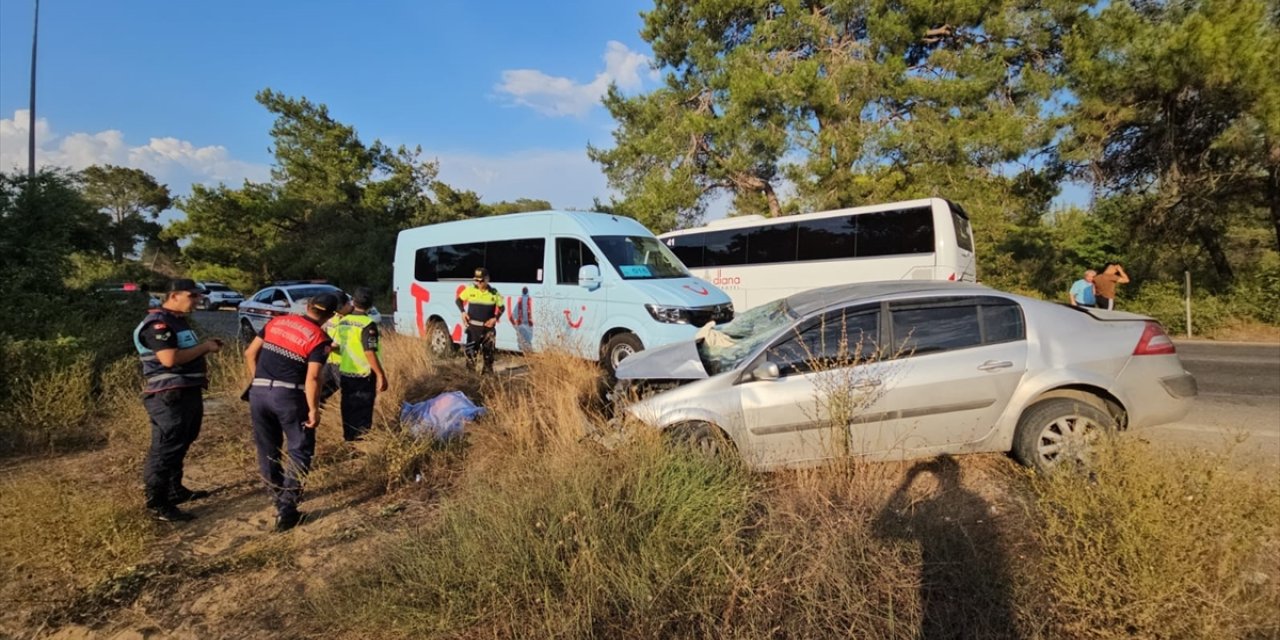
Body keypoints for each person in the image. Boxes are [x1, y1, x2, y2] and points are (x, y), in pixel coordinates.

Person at [243, 292, 338, 532]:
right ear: (330, 315)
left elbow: (249, 353)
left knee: (267, 449)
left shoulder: (277, 321)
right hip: (289, 397)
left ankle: (277, 497)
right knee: (300, 449)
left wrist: (260, 381)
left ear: (307, 306)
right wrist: (314, 409)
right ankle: (287, 508)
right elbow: (313, 377)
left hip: (259, 393)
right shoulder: (319, 339)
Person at [133, 278, 223, 522]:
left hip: (186, 391)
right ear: (174, 295)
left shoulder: (177, 321)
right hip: (168, 394)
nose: (197, 300)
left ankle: (175, 490)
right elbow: (169, 359)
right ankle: (157, 504)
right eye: (192, 296)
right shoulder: (158, 324)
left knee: (184, 439)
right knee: (166, 447)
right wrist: (205, 347)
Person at [332, 287, 388, 441]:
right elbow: (369, 352)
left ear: (353, 302)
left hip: (345, 372)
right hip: (363, 374)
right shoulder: (368, 324)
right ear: (371, 304)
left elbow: (336, 343)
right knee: (363, 410)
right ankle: (361, 443)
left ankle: (349, 440)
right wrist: (381, 374)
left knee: (348, 409)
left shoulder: (343, 322)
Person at [456, 267, 504, 374]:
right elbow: (458, 300)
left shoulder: (494, 293)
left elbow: (502, 307)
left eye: (481, 280)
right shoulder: (470, 290)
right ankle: (471, 381)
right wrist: (463, 312)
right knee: (471, 357)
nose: (479, 283)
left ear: (487, 279)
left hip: (488, 330)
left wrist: (495, 318)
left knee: (488, 356)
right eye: (476, 280)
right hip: (473, 329)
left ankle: (487, 381)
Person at [320, 292, 353, 405]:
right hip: (330, 362)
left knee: (350, 398)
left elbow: (338, 343)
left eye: (338, 307)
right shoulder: (332, 317)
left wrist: (323, 349)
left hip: (345, 365)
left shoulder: (352, 320)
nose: (336, 310)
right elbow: (323, 331)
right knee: (319, 393)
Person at [512, 285, 534, 352]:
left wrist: (515, 324)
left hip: (521, 323)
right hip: (528, 323)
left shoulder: (520, 301)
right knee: (528, 338)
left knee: (522, 338)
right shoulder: (529, 300)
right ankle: (528, 349)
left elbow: (514, 314)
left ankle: (524, 349)